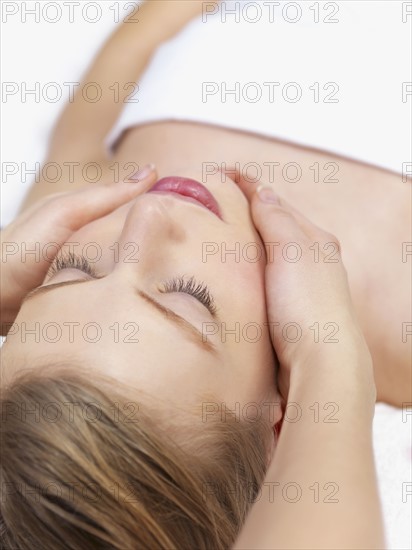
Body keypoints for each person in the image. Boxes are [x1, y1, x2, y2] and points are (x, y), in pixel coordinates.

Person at [1, 1, 408, 548]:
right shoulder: (397, 315)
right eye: (187, 298)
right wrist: (327, 357)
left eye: (70, 272)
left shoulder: (72, 212)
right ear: (281, 422)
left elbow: (111, 80)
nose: (145, 217)